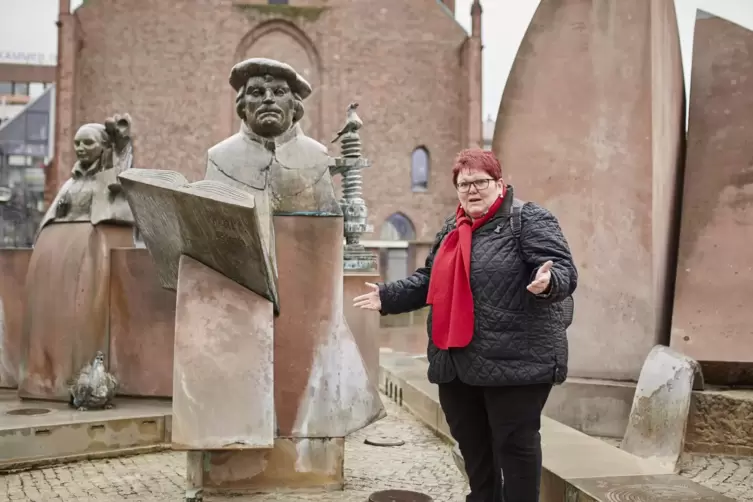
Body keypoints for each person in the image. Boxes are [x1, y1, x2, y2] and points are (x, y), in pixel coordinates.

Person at [353, 148, 577, 502]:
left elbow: (562, 268)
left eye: (480, 182)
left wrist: (548, 283)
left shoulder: (529, 219)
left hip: (516, 359)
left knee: (515, 445)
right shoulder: (452, 228)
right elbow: (430, 279)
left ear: (499, 184)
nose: (472, 190)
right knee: (473, 444)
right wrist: (388, 296)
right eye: (464, 184)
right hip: (457, 360)